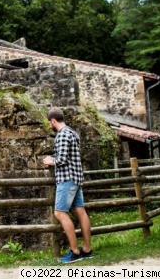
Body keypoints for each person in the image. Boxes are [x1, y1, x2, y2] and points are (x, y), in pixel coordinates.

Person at [43, 107, 93, 263]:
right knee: (81, 212)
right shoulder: (72, 132)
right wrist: (55, 157)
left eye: (49, 123)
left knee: (59, 213)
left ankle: (75, 252)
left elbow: (62, 160)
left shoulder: (63, 134)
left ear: (53, 121)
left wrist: (51, 161)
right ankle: (87, 250)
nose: (49, 125)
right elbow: (67, 156)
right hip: (76, 178)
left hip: (67, 179)